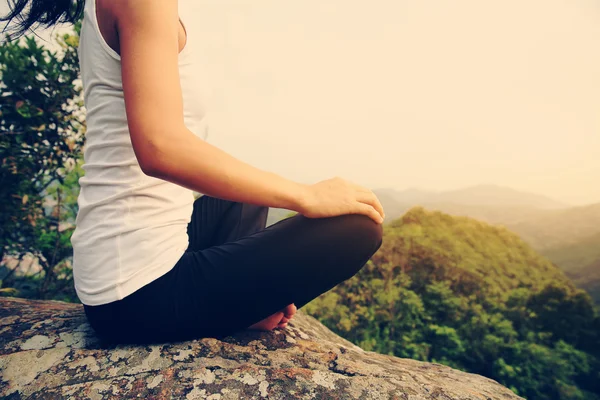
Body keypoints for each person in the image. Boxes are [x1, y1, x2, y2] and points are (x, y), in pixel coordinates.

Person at [1, 0, 385, 344]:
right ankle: (244, 308)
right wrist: (306, 195)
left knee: (242, 196)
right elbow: (159, 148)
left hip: (130, 264)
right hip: (136, 293)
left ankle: (246, 305)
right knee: (357, 228)